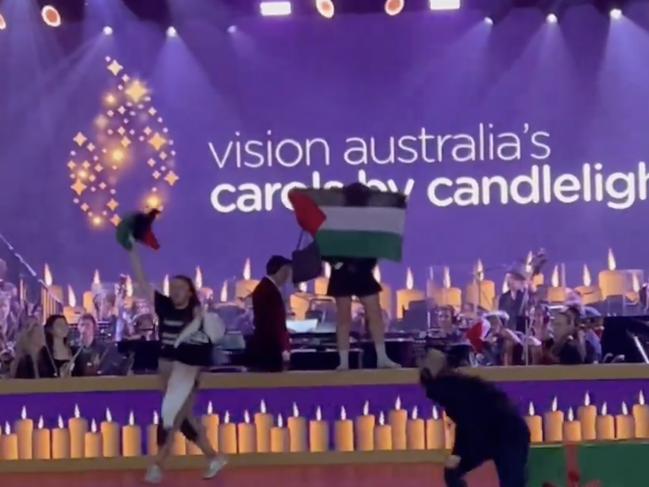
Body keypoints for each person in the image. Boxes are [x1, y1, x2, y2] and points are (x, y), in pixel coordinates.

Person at [128, 245, 225, 484]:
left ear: (190, 292)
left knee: (170, 418)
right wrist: (132, 251)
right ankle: (213, 456)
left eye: (180, 288)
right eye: (172, 288)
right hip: (165, 368)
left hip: (186, 370)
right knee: (182, 419)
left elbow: (206, 345)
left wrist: (200, 373)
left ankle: (157, 465)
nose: (174, 292)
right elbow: (142, 281)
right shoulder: (164, 306)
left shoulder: (196, 315)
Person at [419, 349, 530, 487]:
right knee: (452, 471)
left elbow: (467, 424)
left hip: (509, 434)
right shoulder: (458, 386)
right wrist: (457, 455)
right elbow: (466, 423)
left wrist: (457, 454)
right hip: (491, 435)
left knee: (511, 482)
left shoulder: (448, 389)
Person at [326, 183, 399, 370]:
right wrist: (340, 265)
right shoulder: (335, 219)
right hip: (342, 273)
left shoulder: (369, 219)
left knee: (374, 314)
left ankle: (382, 358)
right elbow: (325, 248)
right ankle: (343, 362)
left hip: (362, 271)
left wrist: (368, 264)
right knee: (344, 318)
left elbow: (375, 245)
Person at [247, 255, 292, 372]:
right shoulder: (269, 290)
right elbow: (275, 323)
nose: (288, 277)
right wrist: (283, 348)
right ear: (281, 271)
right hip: (270, 348)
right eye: (287, 272)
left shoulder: (266, 288)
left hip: (267, 346)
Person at [498, 264, 529, 333]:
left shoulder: (527, 297)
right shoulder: (503, 297)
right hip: (507, 332)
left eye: (514, 279)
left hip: (522, 332)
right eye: (509, 278)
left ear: (522, 282)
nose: (511, 281)